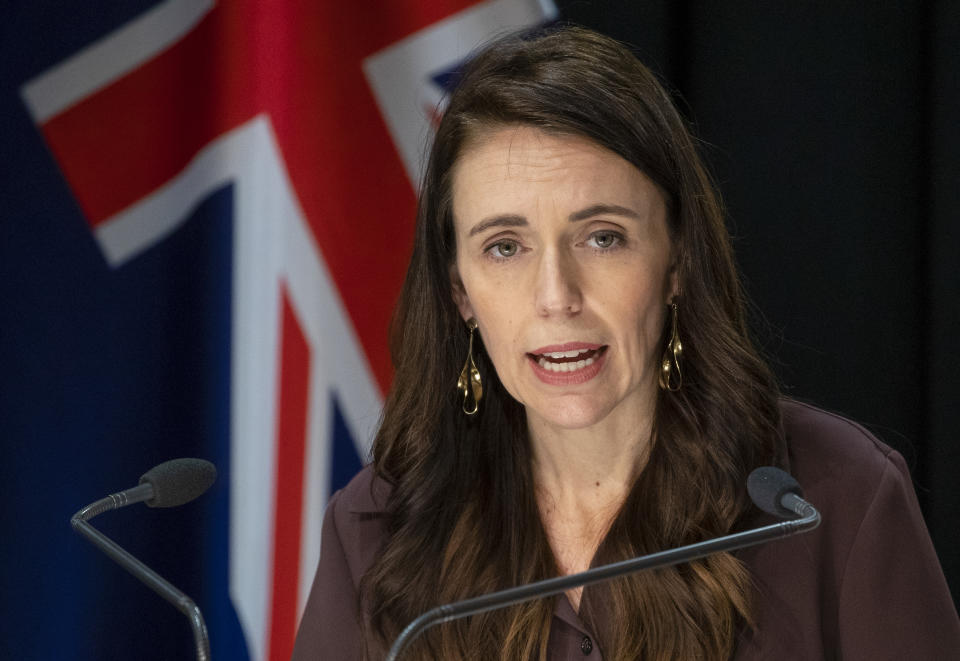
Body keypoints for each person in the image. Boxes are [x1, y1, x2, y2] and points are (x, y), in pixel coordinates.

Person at [292, 27, 959, 660]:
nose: (557, 295)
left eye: (601, 236)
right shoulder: (378, 531)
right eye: (505, 246)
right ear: (460, 291)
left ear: (676, 263)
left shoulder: (831, 501)